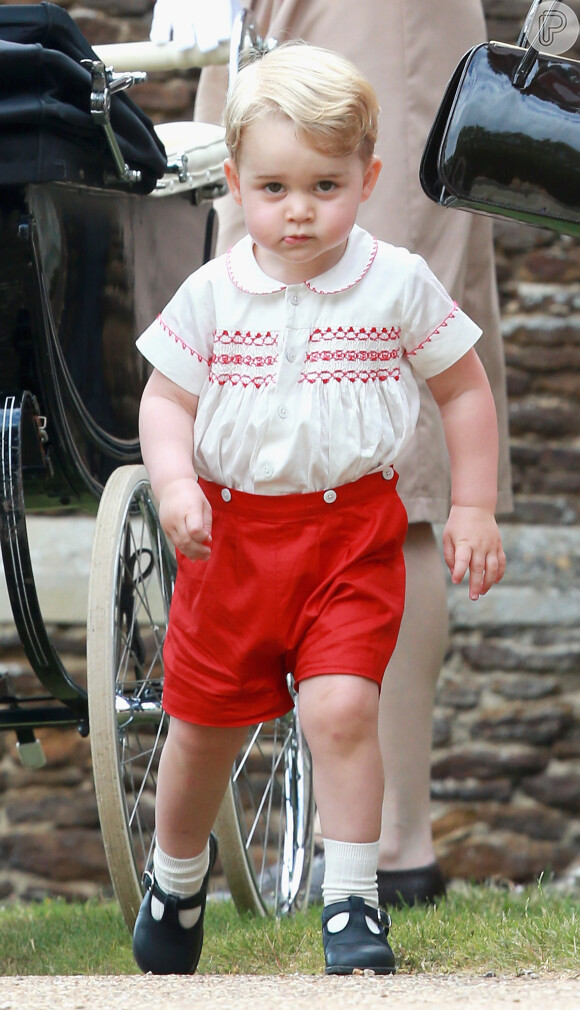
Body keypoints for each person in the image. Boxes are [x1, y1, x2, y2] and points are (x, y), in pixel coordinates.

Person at [132, 42, 505, 976]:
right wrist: (176, 484)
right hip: (233, 540)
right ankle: (177, 878)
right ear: (233, 183)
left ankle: (351, 901)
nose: (299, 211)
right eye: (273, 187)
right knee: (202, 728)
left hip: (351, 535)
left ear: (368, 178)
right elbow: (164, 400)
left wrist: (473, 508)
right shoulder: (214, 292)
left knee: (342, 710)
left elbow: (462, 391)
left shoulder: (395, 283)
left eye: (326, 186)